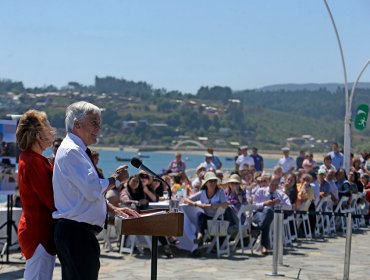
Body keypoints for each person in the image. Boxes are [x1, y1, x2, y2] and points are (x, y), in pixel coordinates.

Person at [52, 101, 139, 280]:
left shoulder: (76, 150)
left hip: (78, 233)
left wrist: (113, 208)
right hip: (76, 234)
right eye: (94, 123)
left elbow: (83, 193)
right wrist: (114, 179)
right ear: (77, 124)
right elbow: (92, 190)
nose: (98, 129)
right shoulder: (72, 151)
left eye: (99, 124)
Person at [16, 110, 57, 279]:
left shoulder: (31, 158)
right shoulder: (33, 162)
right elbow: (51, 199)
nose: (51, 131)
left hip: (37, 231)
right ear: (38, 135)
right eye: (47, 128)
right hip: (38, 232)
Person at [186, 172, 237, 245]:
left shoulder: (220, 192)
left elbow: (225, 204)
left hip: (218, 221)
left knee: (199, 218)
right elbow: (187, 199)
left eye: (214, 181)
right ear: (206, 183)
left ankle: (199, 239)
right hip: (208, 220)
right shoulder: (202, 193)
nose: (213, 183)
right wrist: (195, 204)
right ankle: (199, 236)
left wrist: (210, 206)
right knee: (199, 215)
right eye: (210, 181)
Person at [252, 176, 292, 254]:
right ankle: (264, 246)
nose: (273, 187)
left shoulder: (280, 194)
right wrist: (264, 203)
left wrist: (278, 204)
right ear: (269, 183)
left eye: (276, 185)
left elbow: (289, 207)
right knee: (268, 212)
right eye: (272, 185)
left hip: (271, 217)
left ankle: (257, 229)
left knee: (269, 212)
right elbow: (253, 205)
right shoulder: (260, 191)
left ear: (278, 185)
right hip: (258, 214)